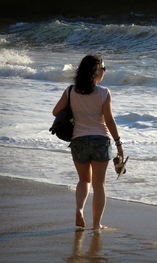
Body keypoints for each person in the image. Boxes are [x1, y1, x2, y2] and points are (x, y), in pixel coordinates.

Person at [52, 55, 123, 230]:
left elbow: (55, 112)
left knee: (84, 180)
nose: (104, 72)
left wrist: (74, 113)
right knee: (99, 185)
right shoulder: (104, 93)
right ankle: (97, 224)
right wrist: (119, 144)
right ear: (96, 71)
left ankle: (79, 209)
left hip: (78, 140)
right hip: (100, 140)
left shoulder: (70, 91)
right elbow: (109, 121)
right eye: (104, 69)